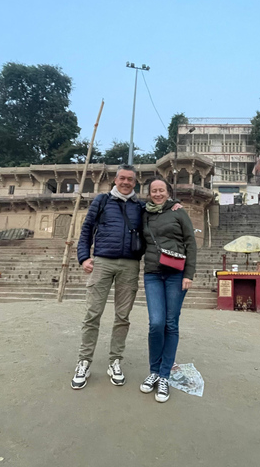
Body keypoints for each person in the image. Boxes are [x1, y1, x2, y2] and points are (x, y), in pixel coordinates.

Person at [71, 165, 182, 390]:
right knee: (92, 314)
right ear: (115, 179)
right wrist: (83, 257)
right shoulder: (101, 201)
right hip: (102, 261)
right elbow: (86, 230)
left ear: (135, 182)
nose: (125, 182)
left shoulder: (141, 207)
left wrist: (175, 206)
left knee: (122, 316)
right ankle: (84, 361)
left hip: (130, 265)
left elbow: (161, 209)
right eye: (122, 178)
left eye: (130, 179)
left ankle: (115, 361)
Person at [138, 178, 197, 403]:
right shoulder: (145, 213)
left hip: (176, 274)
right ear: (150, 193)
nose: (158, 194)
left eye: (161, 190)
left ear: (168, 192)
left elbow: (190, 242)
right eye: (154, 191)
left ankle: (164, 375)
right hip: (152, 273)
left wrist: (189, 274)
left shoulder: (178, 211)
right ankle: (154, 371)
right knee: (155, 323)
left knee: (171, 323)